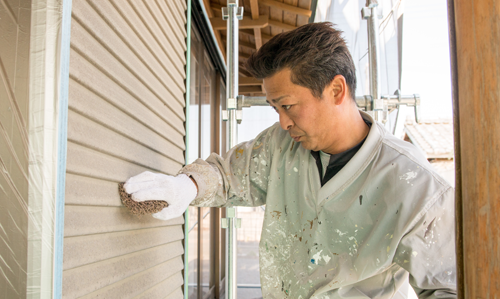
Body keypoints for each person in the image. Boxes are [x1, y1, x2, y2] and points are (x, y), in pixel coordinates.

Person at [124, 22, 457, 298]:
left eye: (287, 105)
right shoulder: (280, 146)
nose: (282, 122)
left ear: (336, 91)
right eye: (274, 108)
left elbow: (449, 287)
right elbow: (228, 175)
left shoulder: (416, 186)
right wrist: (187, 185)